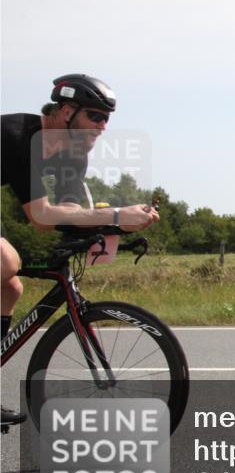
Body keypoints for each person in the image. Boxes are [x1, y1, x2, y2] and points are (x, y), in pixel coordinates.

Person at [1, 74, 159, 428]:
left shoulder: (74, 155)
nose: (102, 127)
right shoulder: (18, 137)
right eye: (95, 116)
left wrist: (114, 229)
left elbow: (71, 215)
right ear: (66, 111)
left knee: (9, 287)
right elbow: (41, 216)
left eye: (107, 119)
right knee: (6, 261)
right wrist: (118, 214)